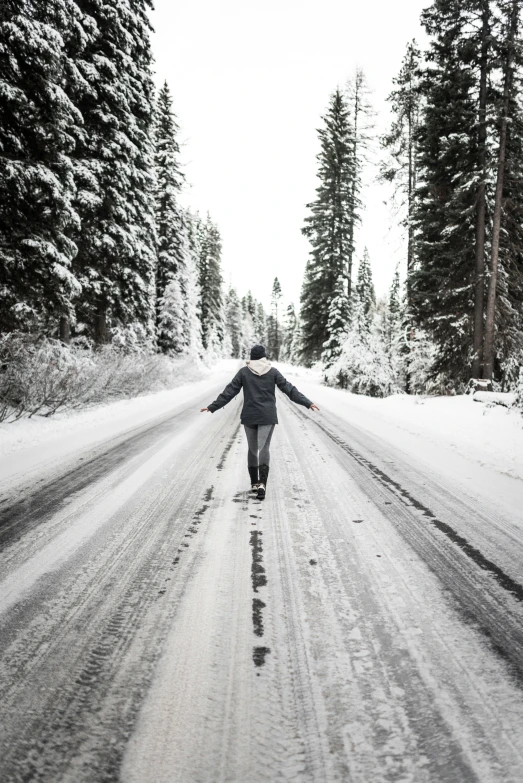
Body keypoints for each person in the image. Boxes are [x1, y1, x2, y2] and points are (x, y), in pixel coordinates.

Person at [201, 344, 319, 499]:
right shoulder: (273, 372)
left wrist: (212, 406)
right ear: (264, 357)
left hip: (249, 416)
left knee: (252, 449)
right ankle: (263, 483)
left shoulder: (243, 372)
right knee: (264, 448)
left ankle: (254, 483)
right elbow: (289, 389)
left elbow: (229, 391)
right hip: (267, 416)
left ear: (251, 357)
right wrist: (307, 402)